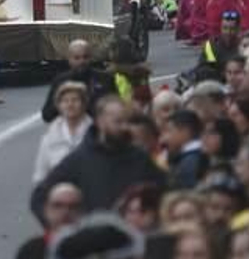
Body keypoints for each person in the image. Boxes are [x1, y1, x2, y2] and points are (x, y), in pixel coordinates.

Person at [32, 95, 162, 216]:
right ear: (100, 122)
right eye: (118, 122)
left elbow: (165, 192)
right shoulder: (79, 160)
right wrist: (60, 225)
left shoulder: (139, 158)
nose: (124, 127)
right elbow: (39, 197)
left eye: (127, 122)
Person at [35, 82, 92, 185]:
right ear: (59, 106)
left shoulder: (97, 134)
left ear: (84, 104)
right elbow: (41, 176)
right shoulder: (49, 139)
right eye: (65, 101)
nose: (70, 104)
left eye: (75, 100)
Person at [41, 41, 113, 123]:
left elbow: (116, 107)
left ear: (91, 58)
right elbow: (47, 115)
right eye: (77, 58)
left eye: (85, 57)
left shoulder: (104, 79)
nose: (82, 61)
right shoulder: (60, 81)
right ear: (69, 59)